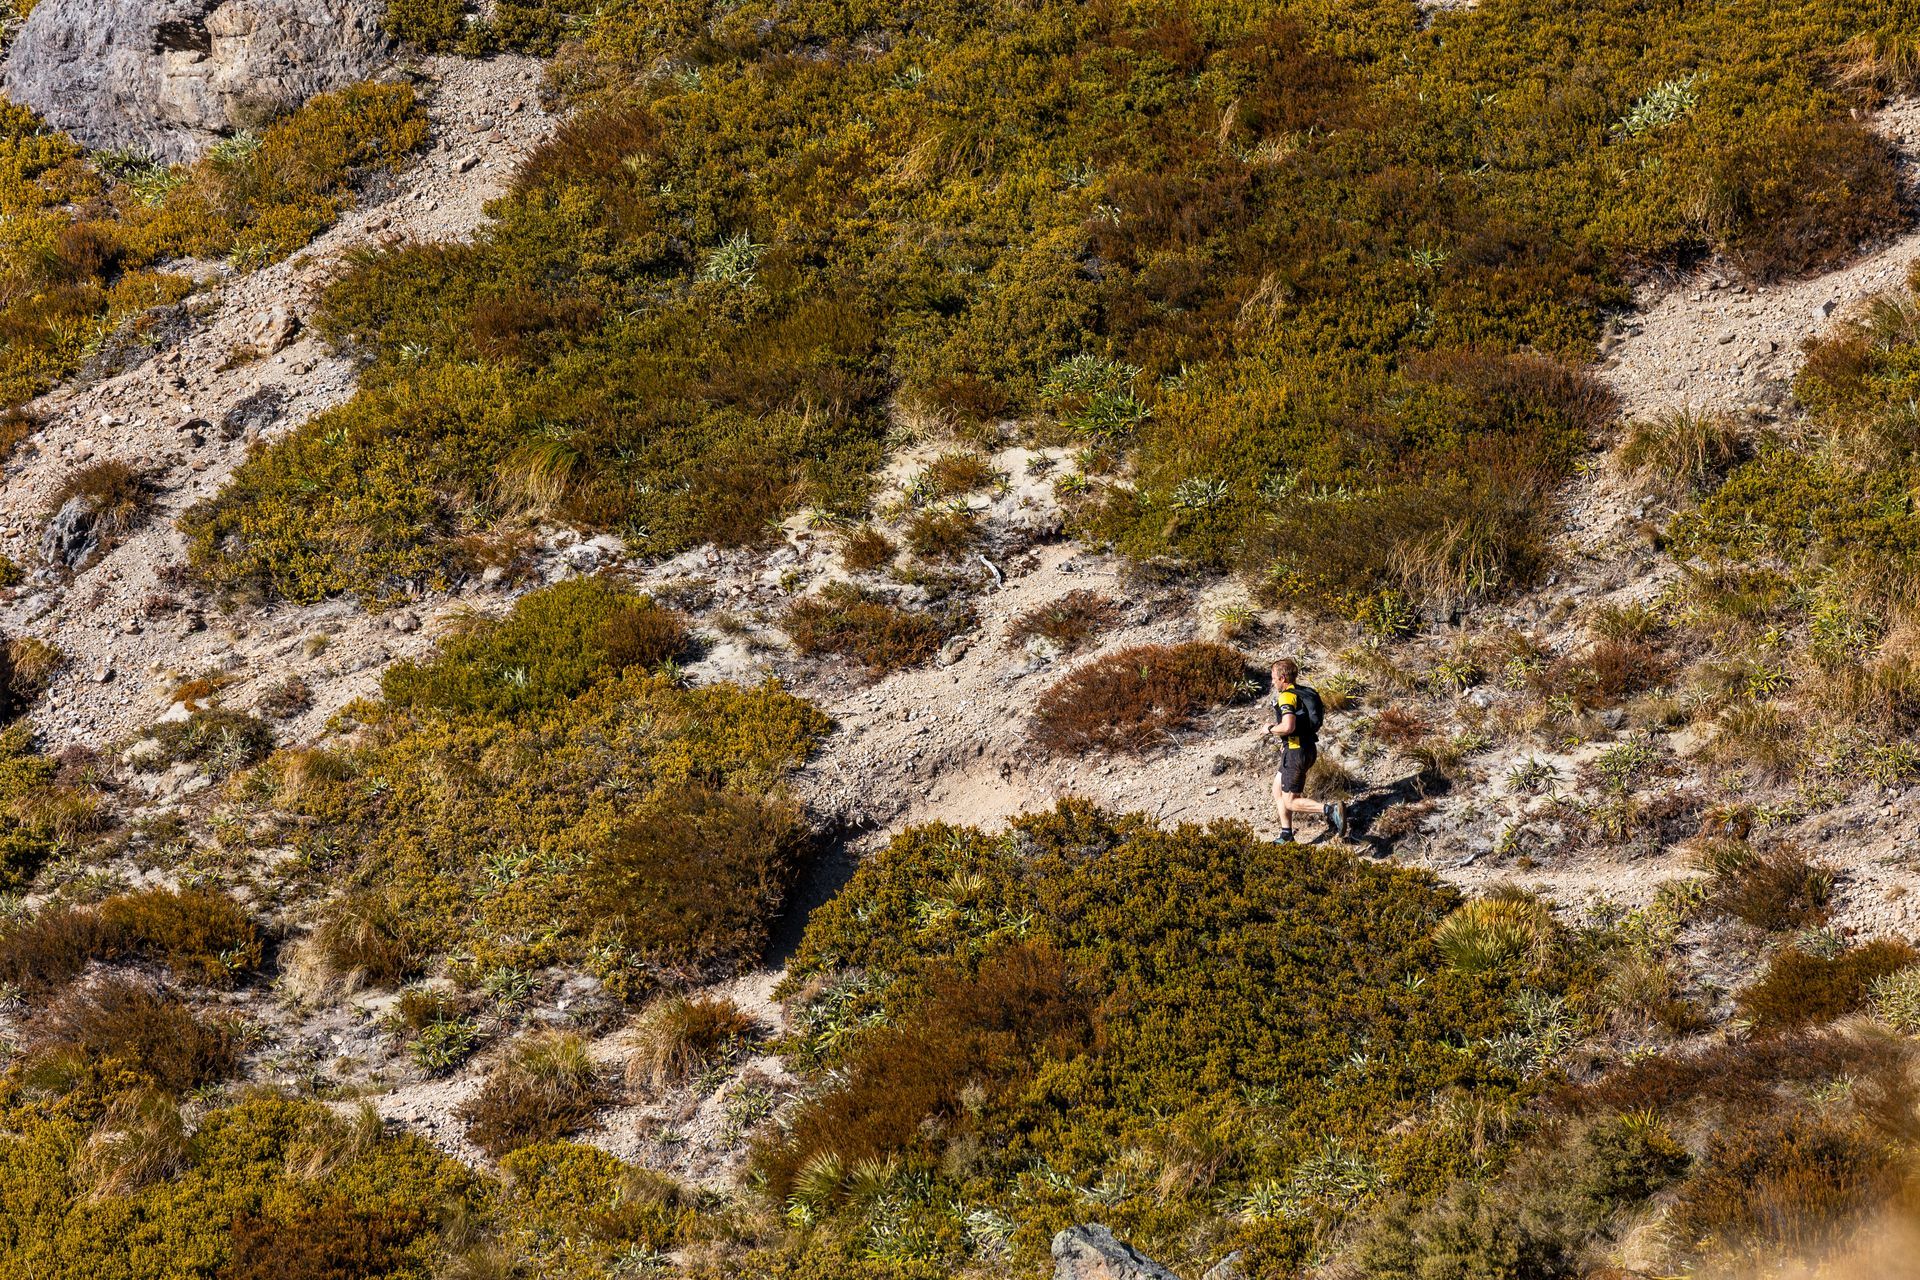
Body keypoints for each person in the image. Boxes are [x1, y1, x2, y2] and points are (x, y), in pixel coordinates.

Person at [1263, 657, 1346, 843]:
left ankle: (1331, 810)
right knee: (1278, 789)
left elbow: (1287, 727)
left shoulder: (1286, 696)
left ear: (1283, 678)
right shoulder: (1302, 692)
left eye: (1274, 677)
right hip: (1306, 748)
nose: (1272, 681)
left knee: (1290, 801)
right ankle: (1286, 834)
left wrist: (1269, 729)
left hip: (1295, 752)